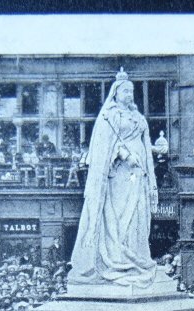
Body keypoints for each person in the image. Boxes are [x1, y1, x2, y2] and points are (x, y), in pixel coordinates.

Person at [68, 68, 158, 289]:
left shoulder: (138, 117)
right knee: (118, 216)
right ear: (116, 92)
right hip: (118, 174)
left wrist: (150, 176)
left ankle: (135, 256)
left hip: (138, 174)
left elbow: (147, 148)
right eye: (125, 91)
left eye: (131, 91)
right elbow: (102, 147)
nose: (129, 94)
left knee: (138, 214)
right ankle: (118, 257)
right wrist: (123, 153)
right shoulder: (109, 116)